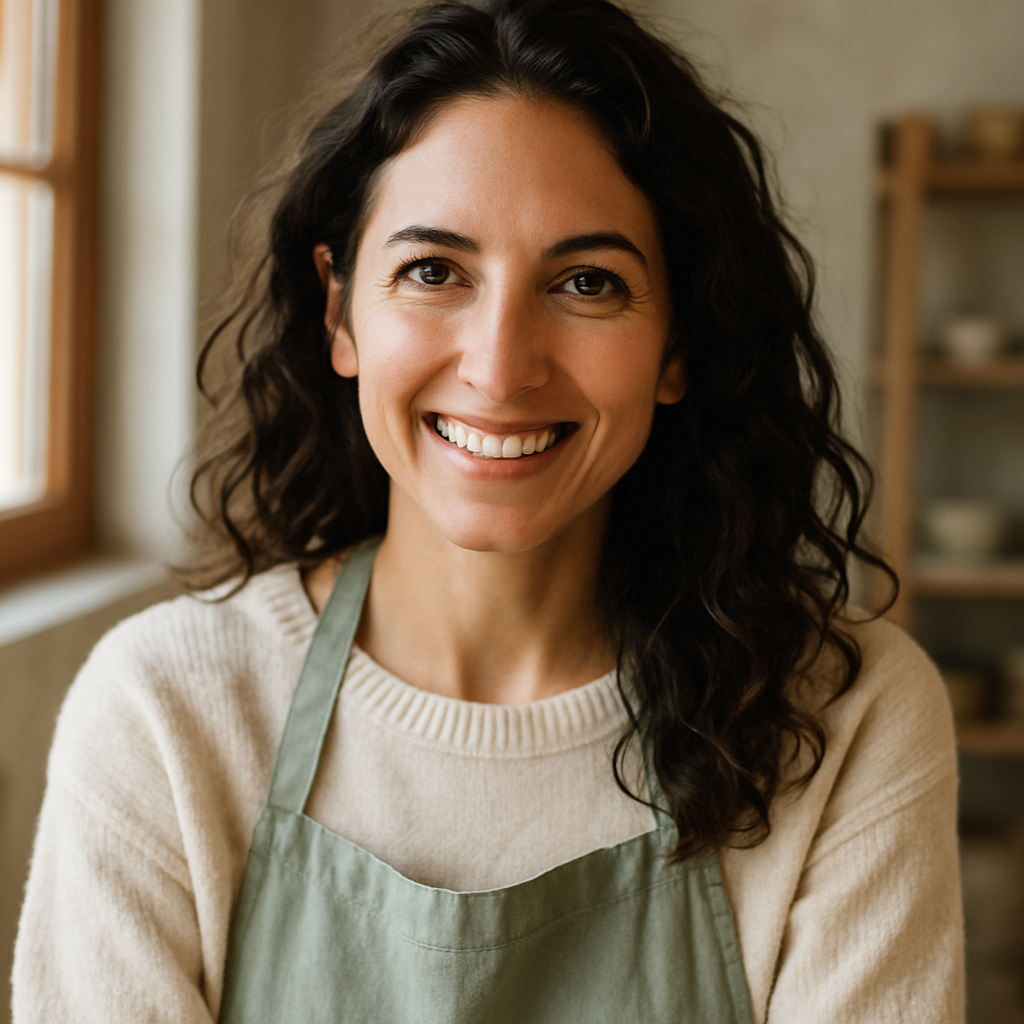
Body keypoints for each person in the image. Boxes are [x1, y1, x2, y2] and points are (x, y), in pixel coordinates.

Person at [13, 0, 964, 1020]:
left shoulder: (845, 720)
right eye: (433, 271)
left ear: (678, 343)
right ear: (340, 311)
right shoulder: (167, 713)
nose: (500, 367)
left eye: (587, 282)